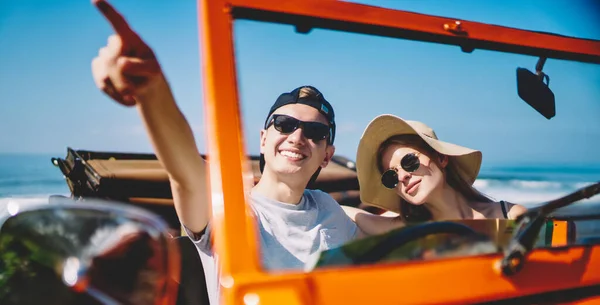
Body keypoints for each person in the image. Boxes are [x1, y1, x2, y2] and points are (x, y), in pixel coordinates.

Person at [90, 1, 360, 304]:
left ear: (327, 154)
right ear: (263, 139)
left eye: (315, 132)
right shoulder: (231, 210)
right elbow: (186, 172)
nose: (297, 137)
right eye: (284, 125)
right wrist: (151, 90)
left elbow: (401, 232)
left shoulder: (330, 210)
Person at [344, 114, 527, 236]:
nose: (402, 177)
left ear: (441, 158)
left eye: (409, 162)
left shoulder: (510, 216)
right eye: (391, 176)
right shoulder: (409, 230)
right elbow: (353, 215)